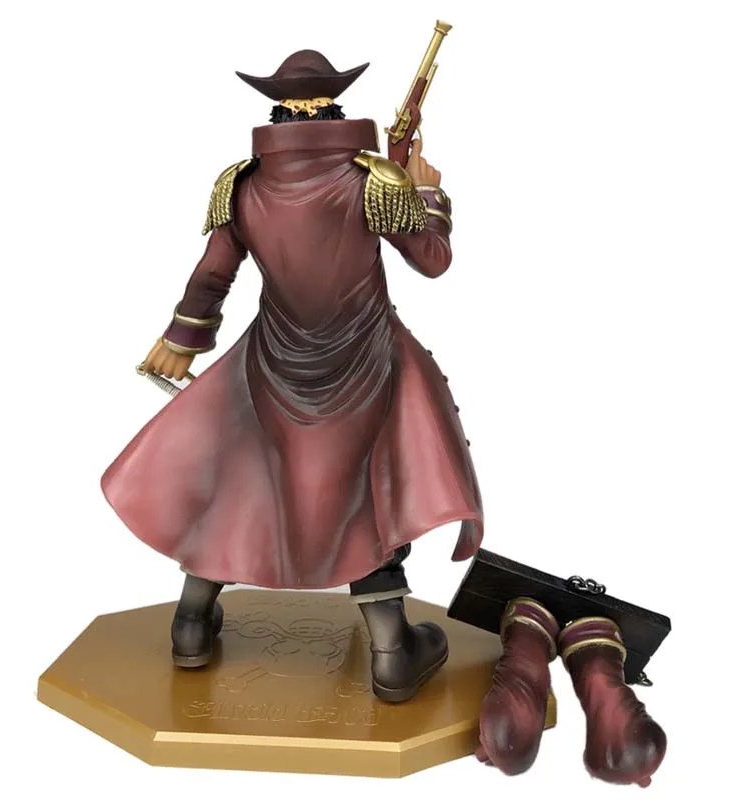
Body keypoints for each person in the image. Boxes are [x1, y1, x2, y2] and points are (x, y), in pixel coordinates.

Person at [102, 50, 483, 703]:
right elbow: (434, 259)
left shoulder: (241, 185)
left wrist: (181, 341)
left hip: (273, 361)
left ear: (277, 113)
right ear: (334, 109)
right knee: (369, 491)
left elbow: (212, 275)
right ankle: (391, 650)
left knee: (240, 477)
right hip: (364, 362)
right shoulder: (374, 182)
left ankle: (191, 625)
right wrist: (424, 191)